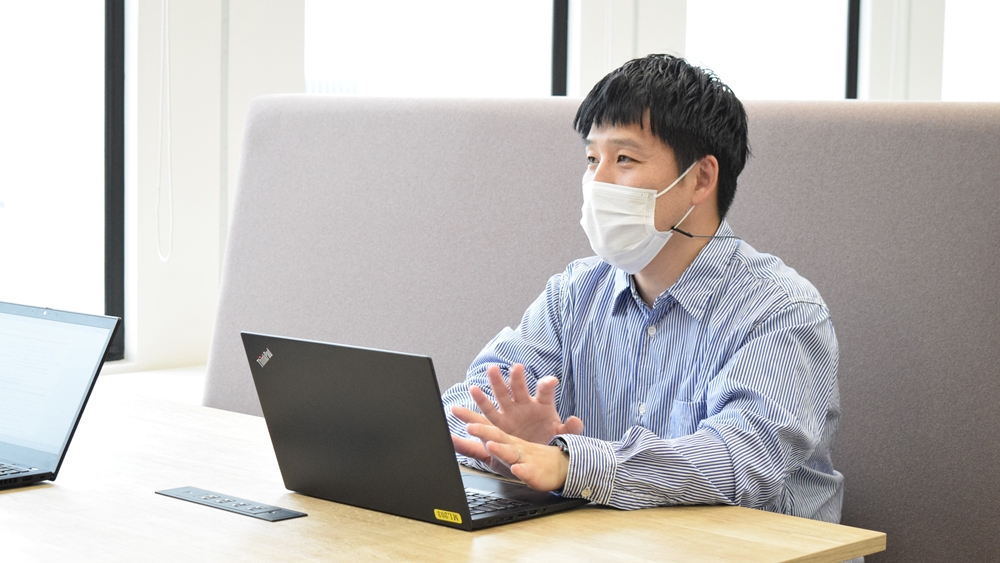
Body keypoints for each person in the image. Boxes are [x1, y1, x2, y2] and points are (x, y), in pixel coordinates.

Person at [442, 54, 843, 524]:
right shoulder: (574, 293)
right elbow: (465, 404)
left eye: (624, 159)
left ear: (701, 178)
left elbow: (738, 461)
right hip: (612, 544)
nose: (597, 182)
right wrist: (507, 444)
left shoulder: (781, 309)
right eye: (592, 159)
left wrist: (571, 464)